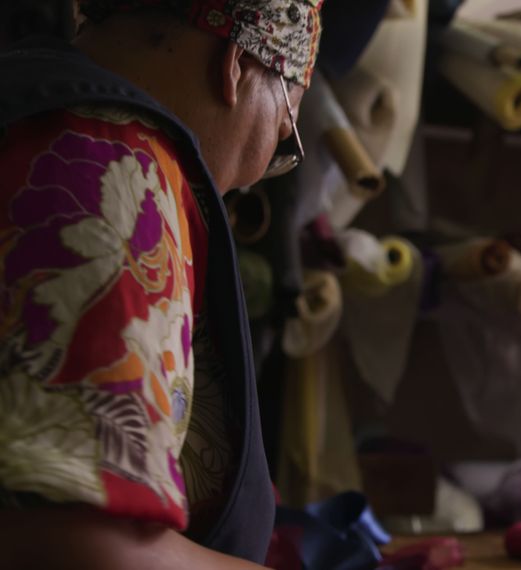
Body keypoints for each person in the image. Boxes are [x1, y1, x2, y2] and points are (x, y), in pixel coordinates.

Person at [0, 0, 323, 567]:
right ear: (237, 66)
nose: (255, 178)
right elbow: (72, 542)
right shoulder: (109, 163)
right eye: (284, 133)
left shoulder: (31, 103)